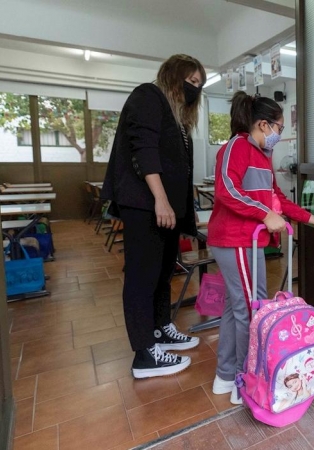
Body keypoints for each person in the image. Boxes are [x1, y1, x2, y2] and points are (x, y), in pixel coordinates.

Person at [207, 91, 314, 404]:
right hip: (235, 239)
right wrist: (264, 213)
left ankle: (225, 375)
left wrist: (311, 219)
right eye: (278, 128)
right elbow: (227, 192)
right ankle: (241, 379)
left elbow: (278, 198)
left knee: (236, 307)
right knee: (250, 309)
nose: (279, 134)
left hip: (249, 241)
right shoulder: (236, 147)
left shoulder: (262, 156)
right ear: (263, 124)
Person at [101, 54, 206, 378]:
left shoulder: (176, 118)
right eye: (190, 82)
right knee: (142, 276)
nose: (194, 89)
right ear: (173, 77)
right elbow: (143, 151)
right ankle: (144, 355)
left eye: (199, 86)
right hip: (146, 206)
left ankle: (160, 328)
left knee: (162, 274)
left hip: (166, 210)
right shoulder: (148, 96)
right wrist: (160, 199)